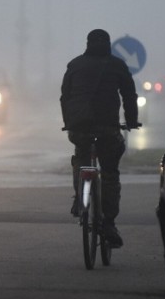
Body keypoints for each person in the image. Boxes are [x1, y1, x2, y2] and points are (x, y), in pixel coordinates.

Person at [60, 29, 140, 248]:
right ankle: (109, 223)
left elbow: (65, 96)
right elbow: (129, 95)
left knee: (82, 157)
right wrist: (131, 121)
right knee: (110, 173)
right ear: (108, 45)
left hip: (80, 128)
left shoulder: (75, 64)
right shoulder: (117, 65)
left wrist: (69, 122)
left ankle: (80, 198)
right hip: (108, 128)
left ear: (87, 44)